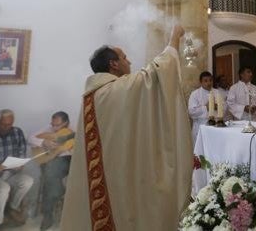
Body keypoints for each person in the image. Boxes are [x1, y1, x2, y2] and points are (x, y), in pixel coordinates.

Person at [61, 25, 192, 231]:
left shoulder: (94, 95)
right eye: (124, 57)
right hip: (118, 178)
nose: (129, 61)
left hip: (111, 172)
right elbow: (158, 72)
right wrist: (175, 36)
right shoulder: (114, 90)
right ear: (113, 64)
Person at [29, 111, 74, 231]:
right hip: (49, 161)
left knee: (50, 174)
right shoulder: (49, 128)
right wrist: (43, 142)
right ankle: (57, 193)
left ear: (66, 123)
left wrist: (66, 149)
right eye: (52, 124)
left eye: (57, 125)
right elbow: (31, 138)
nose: (53, 127)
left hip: (65, 161)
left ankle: (48, 215)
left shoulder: (72, 132)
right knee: (50, 172)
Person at [188, 71, 215, 142]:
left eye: (210, 80)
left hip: (215, 127)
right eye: (205, 81)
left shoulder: (217, 92)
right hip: (200, 126)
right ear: (201, 82)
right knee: (200, 152)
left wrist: (217, 107)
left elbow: (224, 108)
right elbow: (191, 111)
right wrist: (206, 107)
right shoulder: (195, 94)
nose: (209, 83)